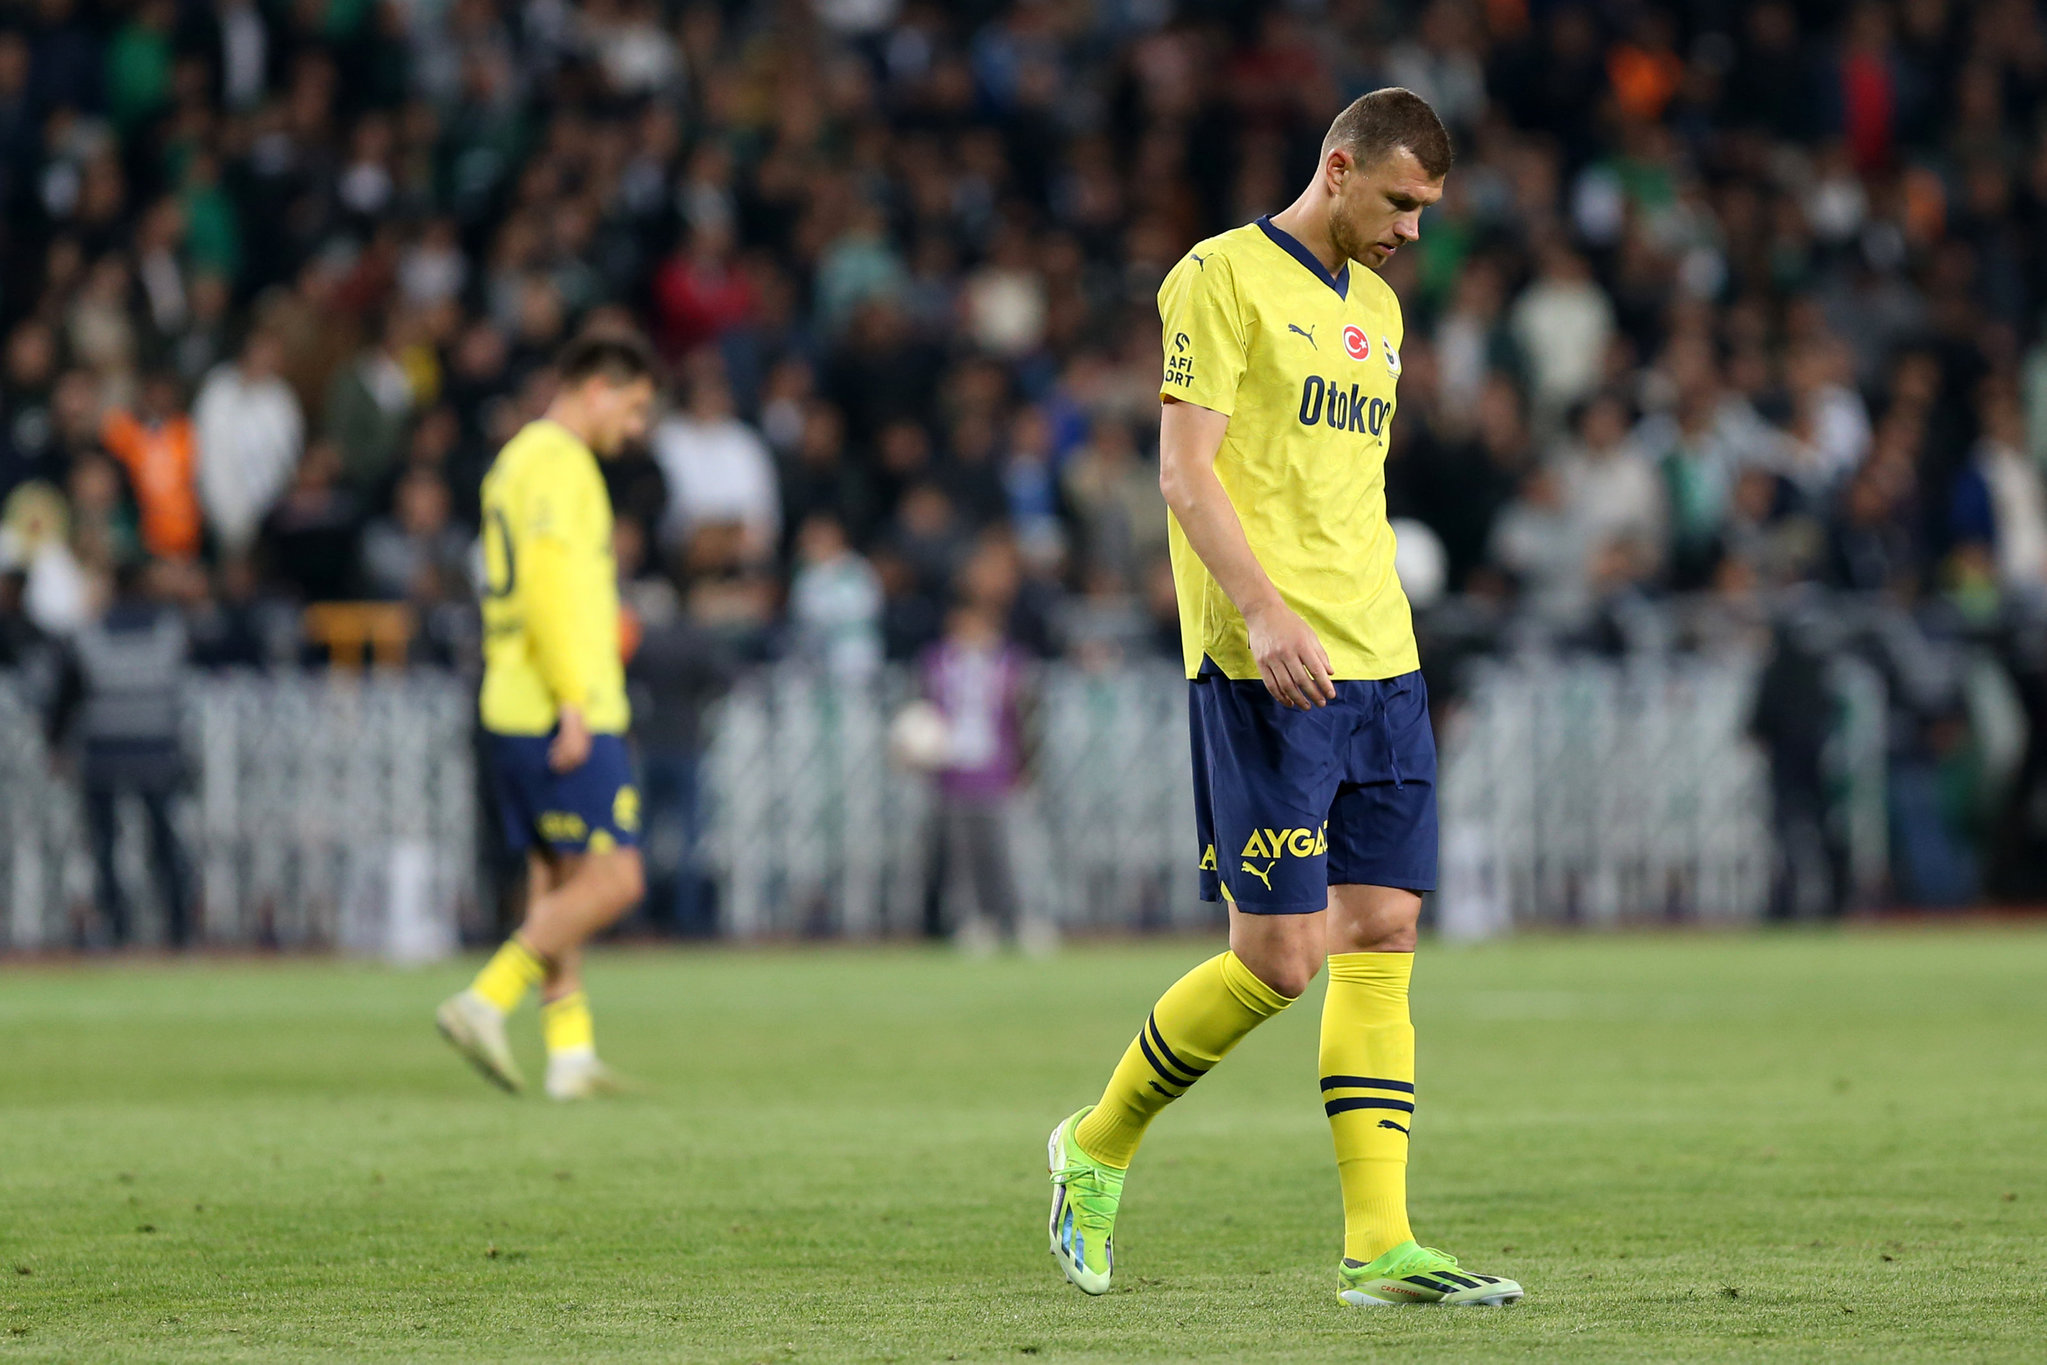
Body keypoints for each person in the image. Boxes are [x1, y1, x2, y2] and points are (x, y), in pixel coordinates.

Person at [1046, 89, 1523, 1309]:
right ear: (1340, 166)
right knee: (1275, 959)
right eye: (1402, 203)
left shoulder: (1379, 310)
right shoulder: (1217, 277)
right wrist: (1261, 612)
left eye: (1426, 211)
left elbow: (1338, 489)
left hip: (1385, 661)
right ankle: (1094, 1145)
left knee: (1384, 936)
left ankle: (1381, 1244)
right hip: (1269, 663)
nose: (1415, 232)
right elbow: (1183, 470)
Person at [435, 333, 655, 1101]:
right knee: (616, 878)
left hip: (508, 697)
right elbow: (552, 589)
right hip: (560, 704)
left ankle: (569, 1053)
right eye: (632, 409)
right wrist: (573, 701)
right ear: (595, 387)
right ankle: (483, 999)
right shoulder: (563, 465)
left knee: (559, 879)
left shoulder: (514, 461)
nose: (635, 429)